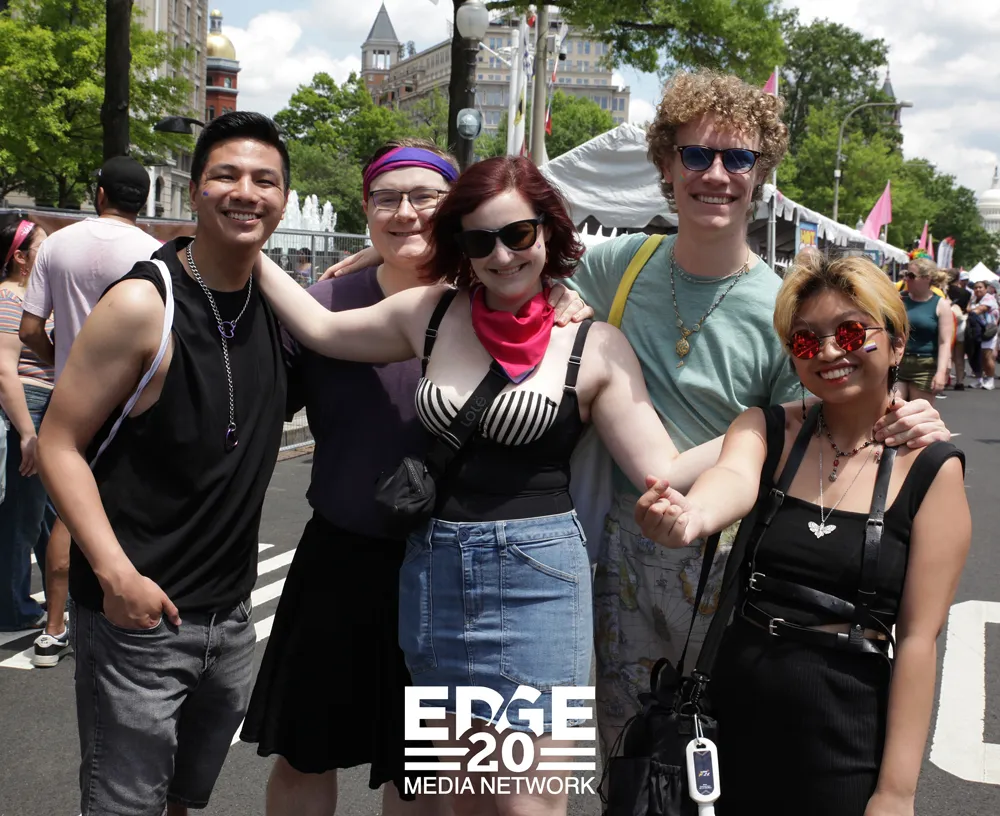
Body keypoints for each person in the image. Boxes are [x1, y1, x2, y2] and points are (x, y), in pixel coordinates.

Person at [253, 155, 729, 816]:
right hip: (433, 578)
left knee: (528, 803)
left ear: (547, 232)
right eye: (480, 241)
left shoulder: (592, 343)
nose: (502, 255)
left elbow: (661, 468)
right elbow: (320, 329)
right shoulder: (430, 312)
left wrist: (770, 426)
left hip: (538, 584)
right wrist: (246, 245)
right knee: (463, 794)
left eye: (518, 234)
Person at [636, 252, 970, 816]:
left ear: (895, 343)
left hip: (844, 728)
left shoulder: (931, 468)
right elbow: (731, 478)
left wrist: (897, 792)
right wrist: (690, 517)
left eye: (851, 332)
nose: (830, 352)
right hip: (732, 712)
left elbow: (918, 639)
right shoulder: (768, 428)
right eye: (807, 340)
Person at [36, 111, 290, 816]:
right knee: (125, 806)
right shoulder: (144, 302)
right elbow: (58, 441)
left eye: (265, 180)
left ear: (284, 200)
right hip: (137, 620)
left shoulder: (277, 305)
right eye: (226, 176)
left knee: (182, 800)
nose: (246, 192)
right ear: (196, 189)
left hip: (231, 618)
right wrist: (116, 576)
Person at [240, 138, 467, 816]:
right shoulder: (325, 301)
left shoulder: (489, 300)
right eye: (386, 199)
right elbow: (252, 411)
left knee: (422, 769)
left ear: (455, 206)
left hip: (452, 566)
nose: (405, 212)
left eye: (425, 197)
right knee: (304, 751)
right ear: (365, 210)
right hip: (340, 557)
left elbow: (552, 253)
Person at [19, 155, 160, 667]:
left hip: (70, 402)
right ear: (143, 200)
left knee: (68, 516)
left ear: (99, 193)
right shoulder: (155, 252)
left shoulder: (57, 244)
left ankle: (54, 629)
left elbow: (30, 330)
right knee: (137, 508)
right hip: (136, 400)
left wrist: (67, 361)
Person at [0, 216, 54, 631]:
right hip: (28, 409)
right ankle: (12, 608)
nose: (50, 253)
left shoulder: (30, 296)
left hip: (43, 409)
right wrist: (28, 434)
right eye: (42, 247)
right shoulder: (9, 298)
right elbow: (5, 372)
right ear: (20, 258)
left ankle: (62, 594)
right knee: (22, 517)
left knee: (47, 513)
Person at [896, 257, 953, 402]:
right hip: (898, 364)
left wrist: (941, 373)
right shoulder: (899, 299)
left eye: (911, 275)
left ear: (926, 278)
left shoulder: (941, 305)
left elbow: (944, 342)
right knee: (892, 406)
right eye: (905, 274)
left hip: (925, 367)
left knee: (917, 412)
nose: (906, 279)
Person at [967, 280, 998, 390]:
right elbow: (968, 309)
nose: (978, 289)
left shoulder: (989, 298)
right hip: (975, 331)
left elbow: (979, 310)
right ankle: (979, 380)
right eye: (976, 288)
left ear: (986, 288)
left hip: (988, 331)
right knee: (975, 356)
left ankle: (990, 380)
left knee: (986, 356)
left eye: (980, 287)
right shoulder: (973, 299)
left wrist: (970, 310)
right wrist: (970, 309)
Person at [947, 270, 971, 390]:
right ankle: (959, 381)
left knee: (947, 354)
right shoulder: (966, 293)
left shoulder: (944, 291)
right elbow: (968, 309)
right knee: (959, 355)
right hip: (961, 323)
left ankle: (945, 379)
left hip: (947, 324)